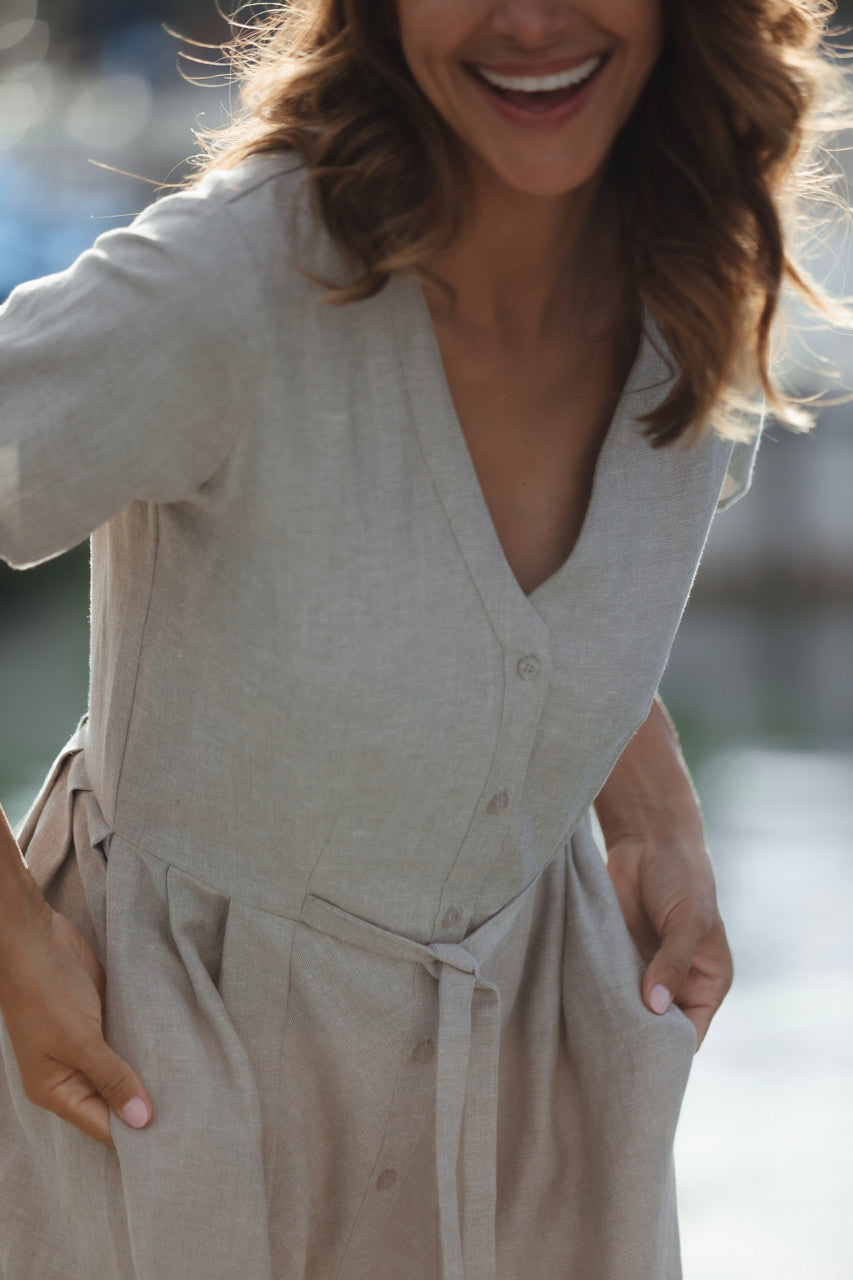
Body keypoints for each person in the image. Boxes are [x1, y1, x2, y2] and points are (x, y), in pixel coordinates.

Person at [0, 2, 847, 1278]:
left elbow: (503, 608)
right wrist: (10, 943)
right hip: (173, 1102)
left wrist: (652, 803)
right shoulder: (226, 289)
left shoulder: (692, 279)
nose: (528, 18)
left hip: (541, 1114)